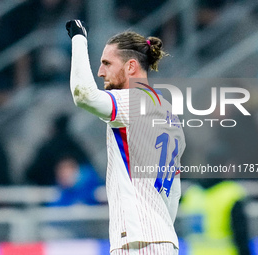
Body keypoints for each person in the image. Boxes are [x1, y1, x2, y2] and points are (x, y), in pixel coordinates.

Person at [66, 20, 186, 255]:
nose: (101, 72)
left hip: (139, 242)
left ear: (131, 67)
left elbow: (84, 95)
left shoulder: (133, 100)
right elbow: (174, 192)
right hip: (161, 239)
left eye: (107, 64)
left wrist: (78, 37)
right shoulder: (167, 111)